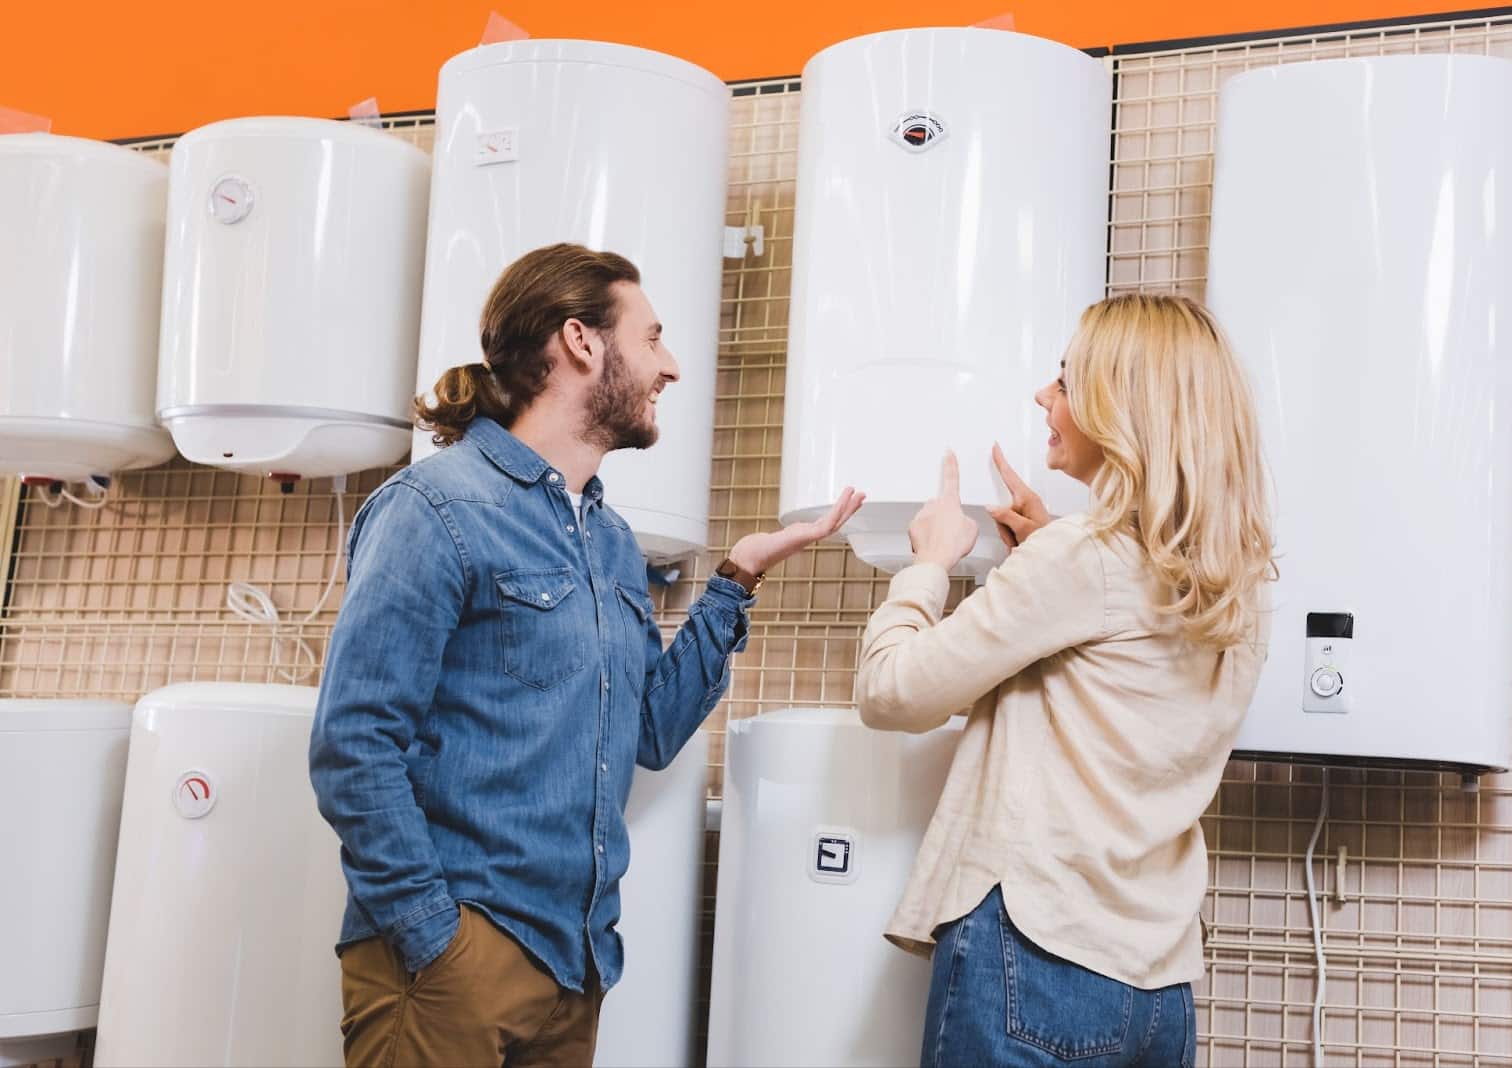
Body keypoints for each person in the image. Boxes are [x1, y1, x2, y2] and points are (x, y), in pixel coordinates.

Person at [310, 242, 863, 1067]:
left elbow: (651, 730)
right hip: (459, 959)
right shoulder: (435, 507)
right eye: (652, 338)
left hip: (576, 964)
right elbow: (353, 745)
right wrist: (433, 934)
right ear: (580, 342)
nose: (669, 367)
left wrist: (737, 579)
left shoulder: (608, 538)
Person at [857, 293, 1275, 1068]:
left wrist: (927, 565)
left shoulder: (1082, 561)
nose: (1044, 398)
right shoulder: (1238, 584)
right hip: (1157, 994)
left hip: (1034, 963)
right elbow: (1124, 673)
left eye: (1066, 380)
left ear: (1123, 406)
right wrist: (1046, 550)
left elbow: (891, 694)